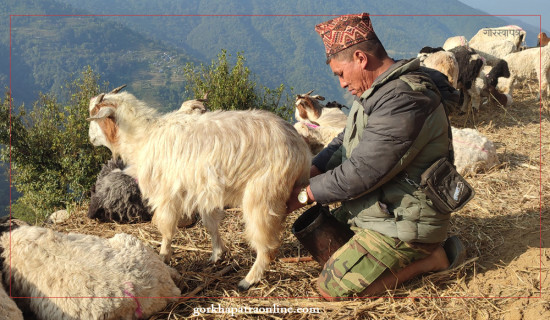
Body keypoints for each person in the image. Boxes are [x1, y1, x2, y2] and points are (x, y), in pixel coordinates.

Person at [286, 13, 463, 300]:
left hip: (407, 220)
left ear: (360, 58)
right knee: (319, 238)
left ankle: (432, 259)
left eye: (341, 74)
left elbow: (364, 170)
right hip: (381, 204)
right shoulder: (376, 92)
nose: (342, 84)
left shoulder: (404, 100)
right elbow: (345, 141)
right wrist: (309, 173)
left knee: (331, 289)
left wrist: (304, 195)